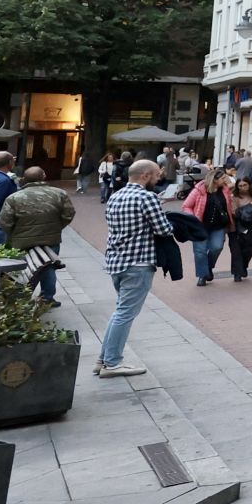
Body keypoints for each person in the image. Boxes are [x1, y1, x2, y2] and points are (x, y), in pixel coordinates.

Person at [99, 160, 173, 378]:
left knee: (120, 311)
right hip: (138, 262)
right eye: (156, 175)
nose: (159, 179)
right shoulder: (146, 197)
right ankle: (112, 362)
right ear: (145, 175)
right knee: (125, 313)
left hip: (116, 261)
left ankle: (103, 358)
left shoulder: (115, 195)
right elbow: (163, 229)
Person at [0, 166, 75, 307]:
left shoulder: (14, 197)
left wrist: (14, 233)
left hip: (22, 241)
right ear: (43, 176)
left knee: (22, 268)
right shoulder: (59, 194)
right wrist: (57, 227)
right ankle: (47, 298)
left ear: (25, 179)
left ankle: (20, 298)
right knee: (48, 266)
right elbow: (68, 214)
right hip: (50, 239)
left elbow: (4, 221)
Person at [184, 171, 233, 286]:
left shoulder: (225, 190)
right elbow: (186, 206)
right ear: (214, 179)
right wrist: (193, 218)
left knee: (217, 247)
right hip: (200, 226)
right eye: (222, 178)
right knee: (200, 251)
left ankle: (208, 266)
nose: (225, 180)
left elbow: (229, 205)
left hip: (218, 225)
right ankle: (202, 275)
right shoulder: (199, 190)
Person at [229, 179, 252, 281]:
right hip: (237, 225)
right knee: (236, 250)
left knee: (250, 247)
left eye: (245, 185)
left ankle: (243, 266)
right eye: (240, 186)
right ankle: (237, 272)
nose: (243, 187)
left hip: (251, 224)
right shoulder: (234, 197)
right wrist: (251, 207)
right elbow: (234, 212)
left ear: (249, 184)